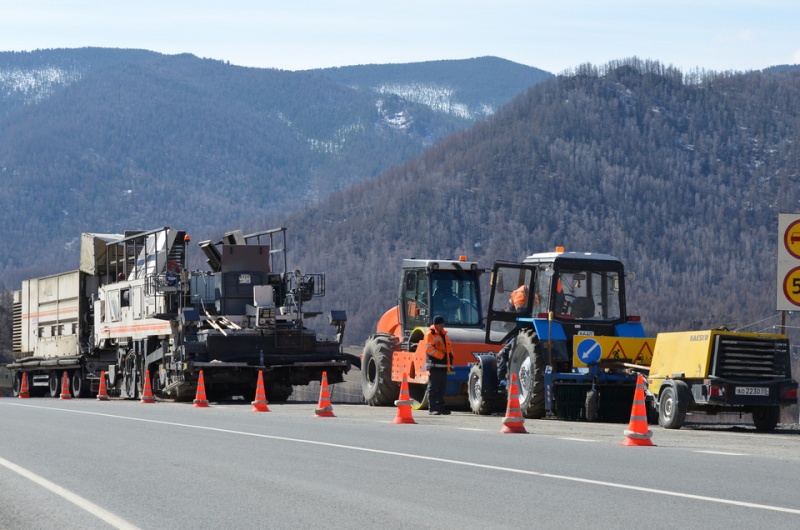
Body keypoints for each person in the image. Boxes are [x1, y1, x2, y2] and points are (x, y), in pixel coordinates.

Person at [496, 284, 531, 389]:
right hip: (511, 321)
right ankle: (501, 377)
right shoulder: (520, 294)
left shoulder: (532, 293)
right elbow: (520, 309)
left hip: (521, 321)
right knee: (514, 341)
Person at [425, 315, 453, 415]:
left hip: (443, 366)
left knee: (441, 388)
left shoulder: (444, 334)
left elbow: (448, 349)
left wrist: (450, 360)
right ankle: (432, 408)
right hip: (435, 365)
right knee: (433, 388)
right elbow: (429, 349)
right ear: (436, 324)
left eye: (443, 323)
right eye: (441, 323)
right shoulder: (430, 334)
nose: (442, 325)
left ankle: (440, 407)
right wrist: (441, 356)